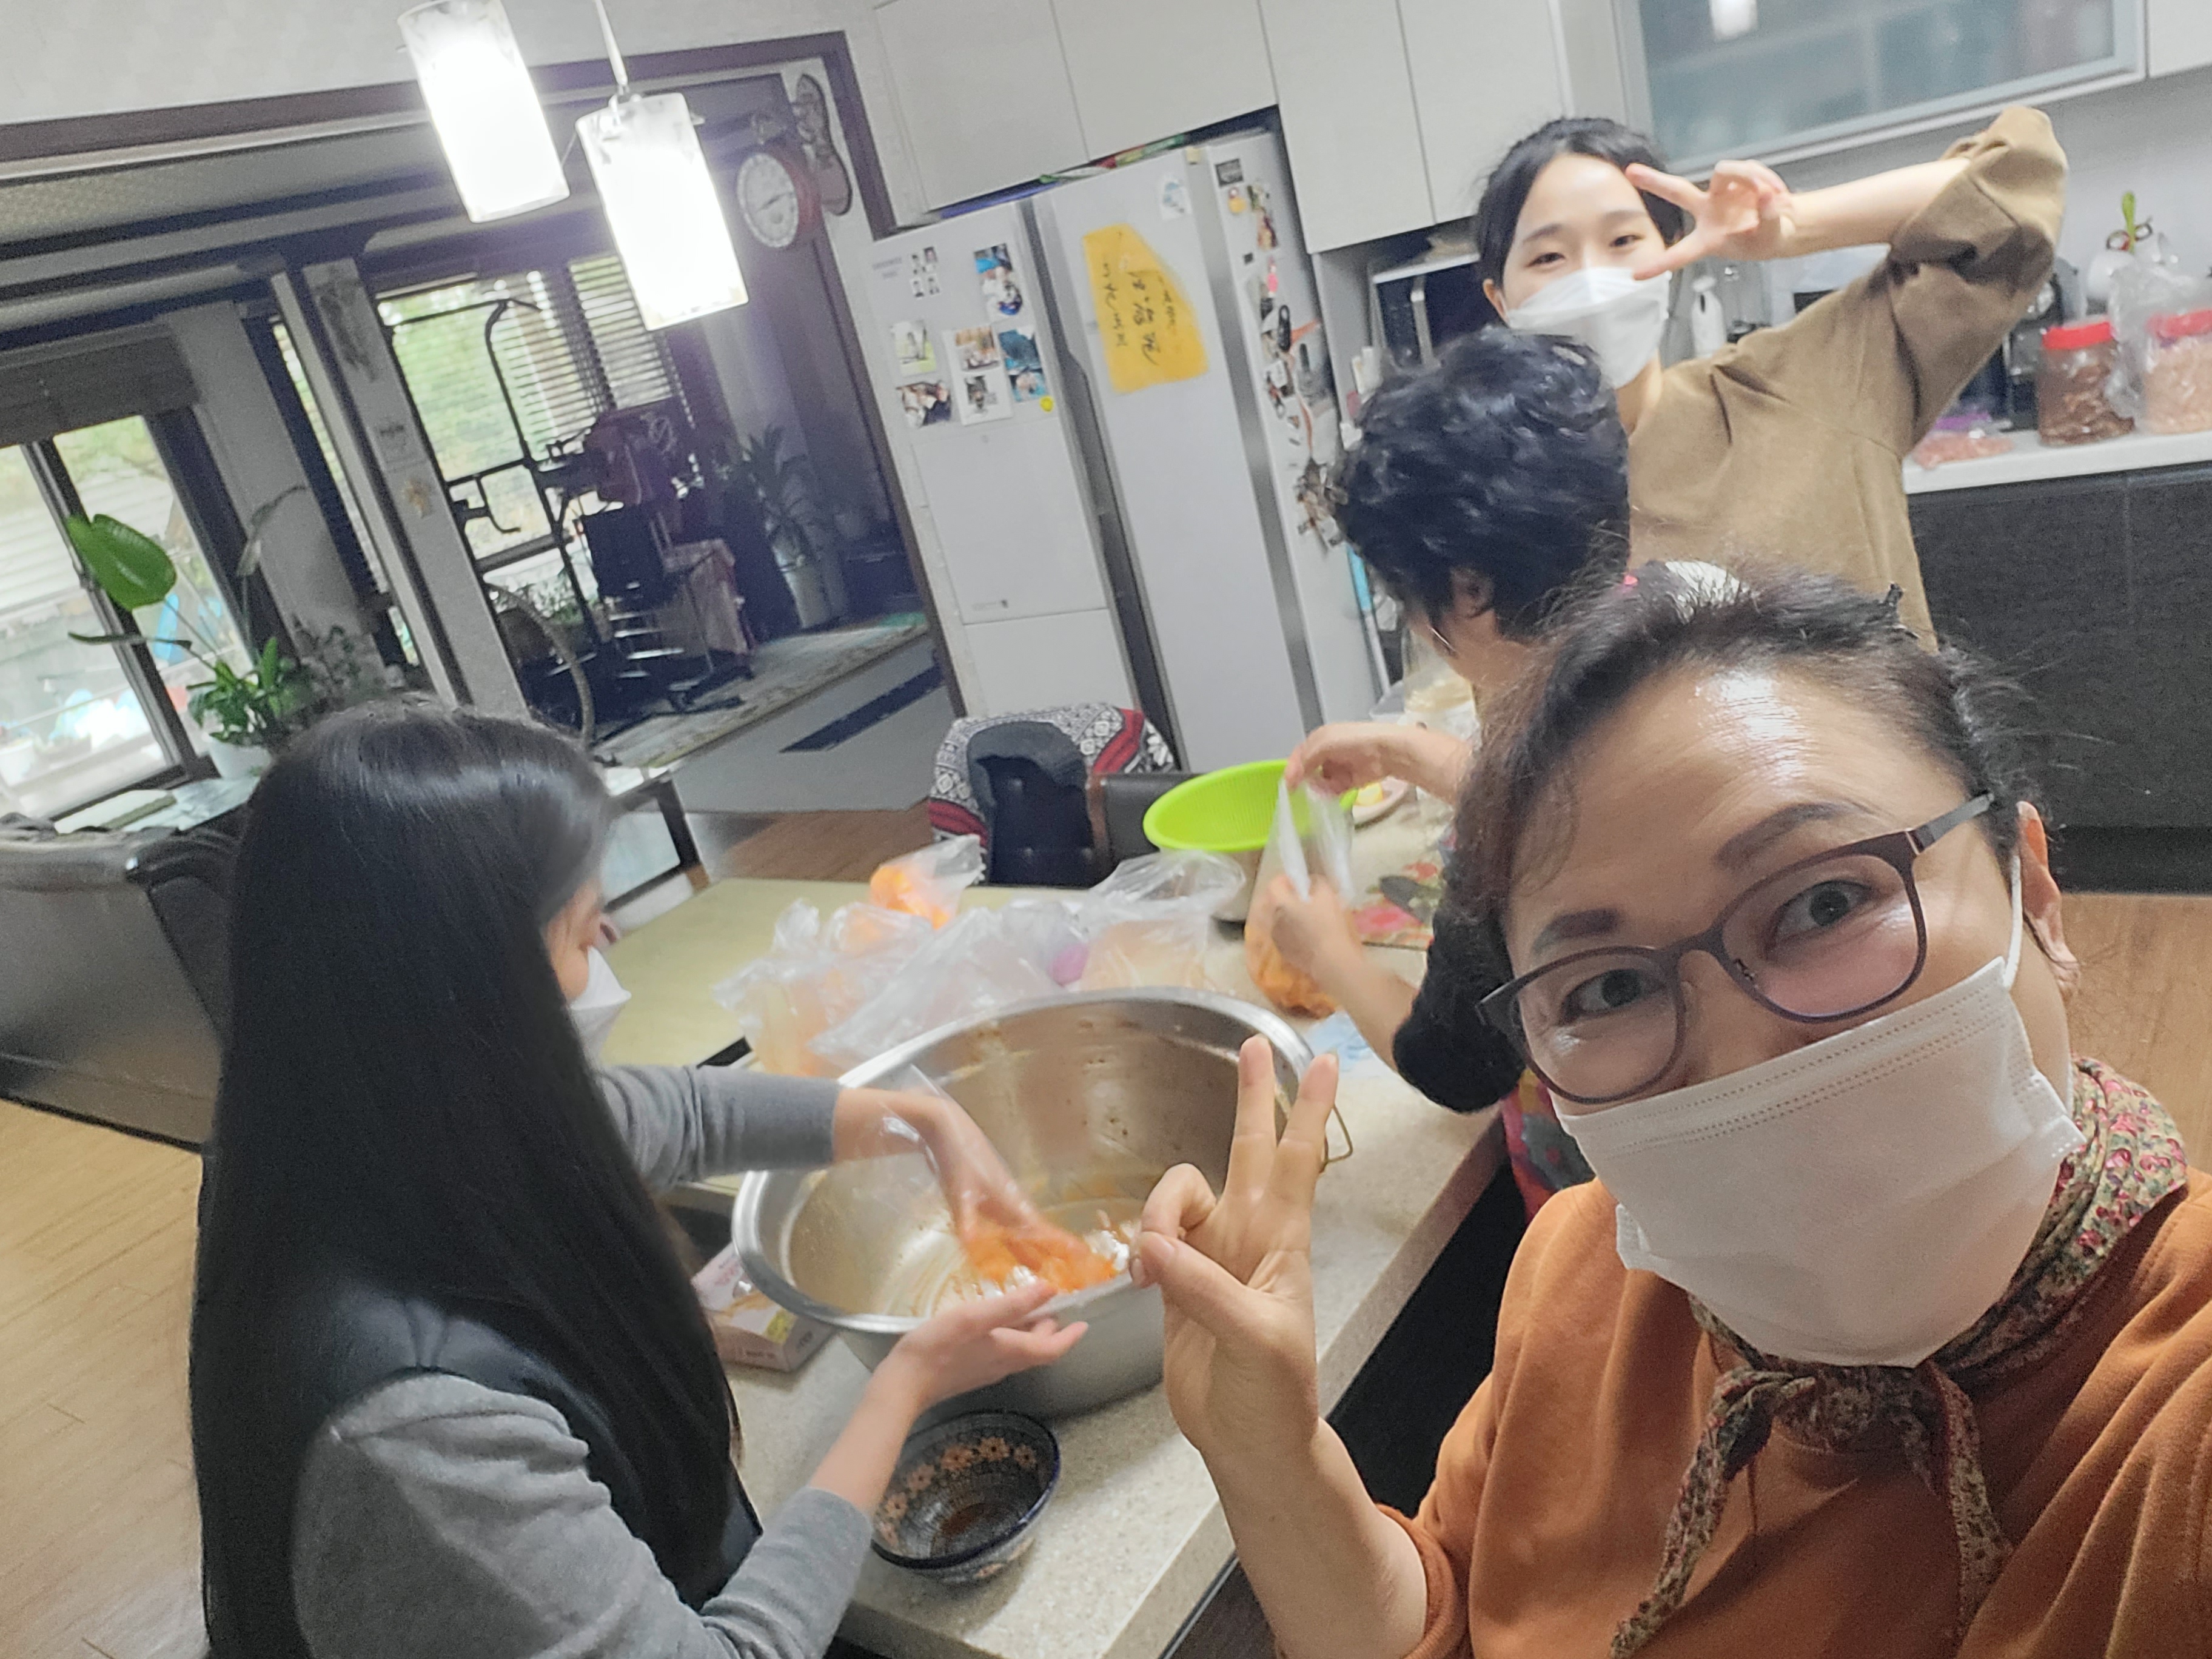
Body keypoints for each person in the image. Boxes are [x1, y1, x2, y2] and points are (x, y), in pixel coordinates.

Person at [1134, 569, 2210, 1658]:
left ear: (2034, 893)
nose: (1736, 1066)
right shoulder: (1580, 1271)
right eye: (1608, 988)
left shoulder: (2174, 1428)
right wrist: (1271, 1463)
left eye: (1825, 902)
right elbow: (1454, 1607)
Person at [191, 702, 1085, 1659]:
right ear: (469, 996)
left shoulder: (376, 1129)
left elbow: (673, 1114)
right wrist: (904, 1387)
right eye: (581, 934)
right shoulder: (419, 1437)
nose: (612, 938)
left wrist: (919, 1119)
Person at [1476, 107, 2063, 642]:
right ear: (1500, 301)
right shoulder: (1500, 502)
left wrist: (1796, 225)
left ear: (1673, 254)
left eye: (1623, 240)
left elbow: (2015, 189)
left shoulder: (1807, 385)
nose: (1593, 281)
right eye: (1548, 257)